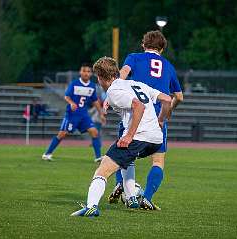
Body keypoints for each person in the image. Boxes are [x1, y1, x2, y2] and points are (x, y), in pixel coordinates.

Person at [71, 56, 171, 217]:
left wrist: (129, 135)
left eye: (98, 77)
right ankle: (132, 197)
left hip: (139, 136)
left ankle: (91, 207)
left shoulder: (113, 91)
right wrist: (161, 119)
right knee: (127, 160)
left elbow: (137, 106)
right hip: (156, 139)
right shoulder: (136, 84)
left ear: (101, 77)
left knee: (103, 170)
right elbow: (167, 99)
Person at [108, 30, 184, 210]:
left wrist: (114, 91)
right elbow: (179, 96)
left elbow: (123, 73)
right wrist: (164, 115)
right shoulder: (169, 66)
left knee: (123, 154)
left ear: (143, 45)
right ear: (162, 48)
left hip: (135, 115)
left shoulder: (134, 57)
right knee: (158, 162)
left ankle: (121, 184)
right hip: (157, 120)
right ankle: (147, 198)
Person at [42, 63, 106, 162]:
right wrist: (71, 103)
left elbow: (95, 101)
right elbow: (66, 96)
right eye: (84, 71)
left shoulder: (92, 86)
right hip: (72, 115)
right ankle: (47, 154)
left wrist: (101, 113)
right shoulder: (74, 83)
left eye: (88, 71)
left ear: (91, 74)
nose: (86, 73)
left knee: (94, 132)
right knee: (62, 134)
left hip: (84, 115)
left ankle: (98, 157)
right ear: (80, 72)